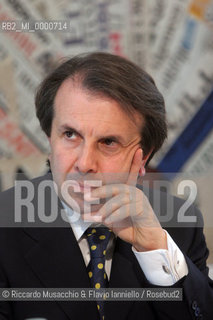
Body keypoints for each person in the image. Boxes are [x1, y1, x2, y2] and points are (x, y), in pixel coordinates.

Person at [0, 52, 212, 320]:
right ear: (49, 138)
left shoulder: (180, 223)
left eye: (108, 142)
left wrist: (154, 249)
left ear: (143, 156)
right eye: (70, 135)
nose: (85, 163)